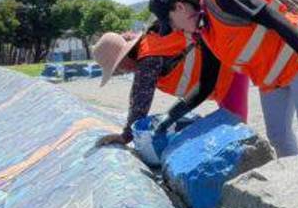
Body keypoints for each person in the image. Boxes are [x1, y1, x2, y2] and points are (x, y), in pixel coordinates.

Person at [148, 0, 298, 163]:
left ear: (180, 8)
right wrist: (170, 116)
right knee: (278, 136)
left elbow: (277, 20)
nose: (175, 30)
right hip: (272, 80)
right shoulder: (205, 33)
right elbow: (207, 84)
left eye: (171, 23)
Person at [92, 25, 249, 146]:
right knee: (231, 128)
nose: (122, 71)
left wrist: (126, 136)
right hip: (217, 80)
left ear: (125, 55)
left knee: (236, 130)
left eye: (119, 66)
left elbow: (140, 100)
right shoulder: (150, 45)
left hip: (228, 73)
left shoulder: (149, 58)